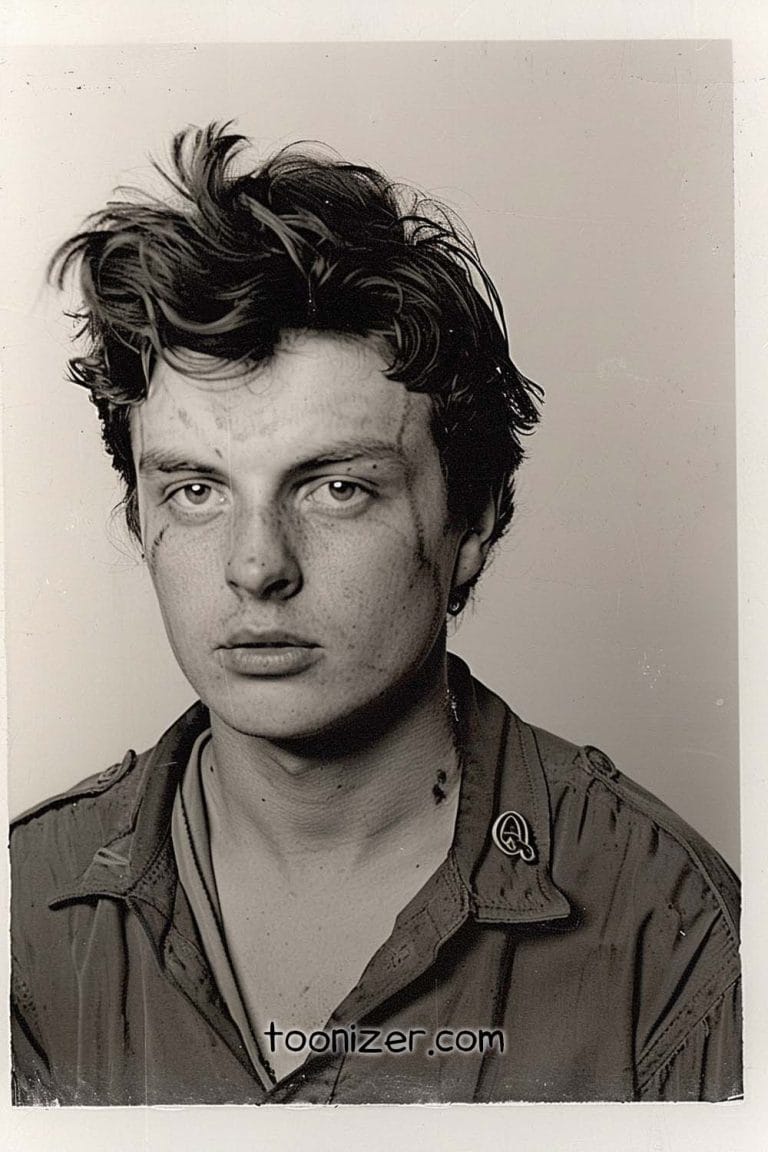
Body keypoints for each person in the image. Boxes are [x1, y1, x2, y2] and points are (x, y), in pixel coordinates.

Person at [10, 123, 741, 1106]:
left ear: (472, 524)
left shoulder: (675, 931)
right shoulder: (24, 911)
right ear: (138, 517)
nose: (257, 566)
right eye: (195, 490)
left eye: (338, 488)